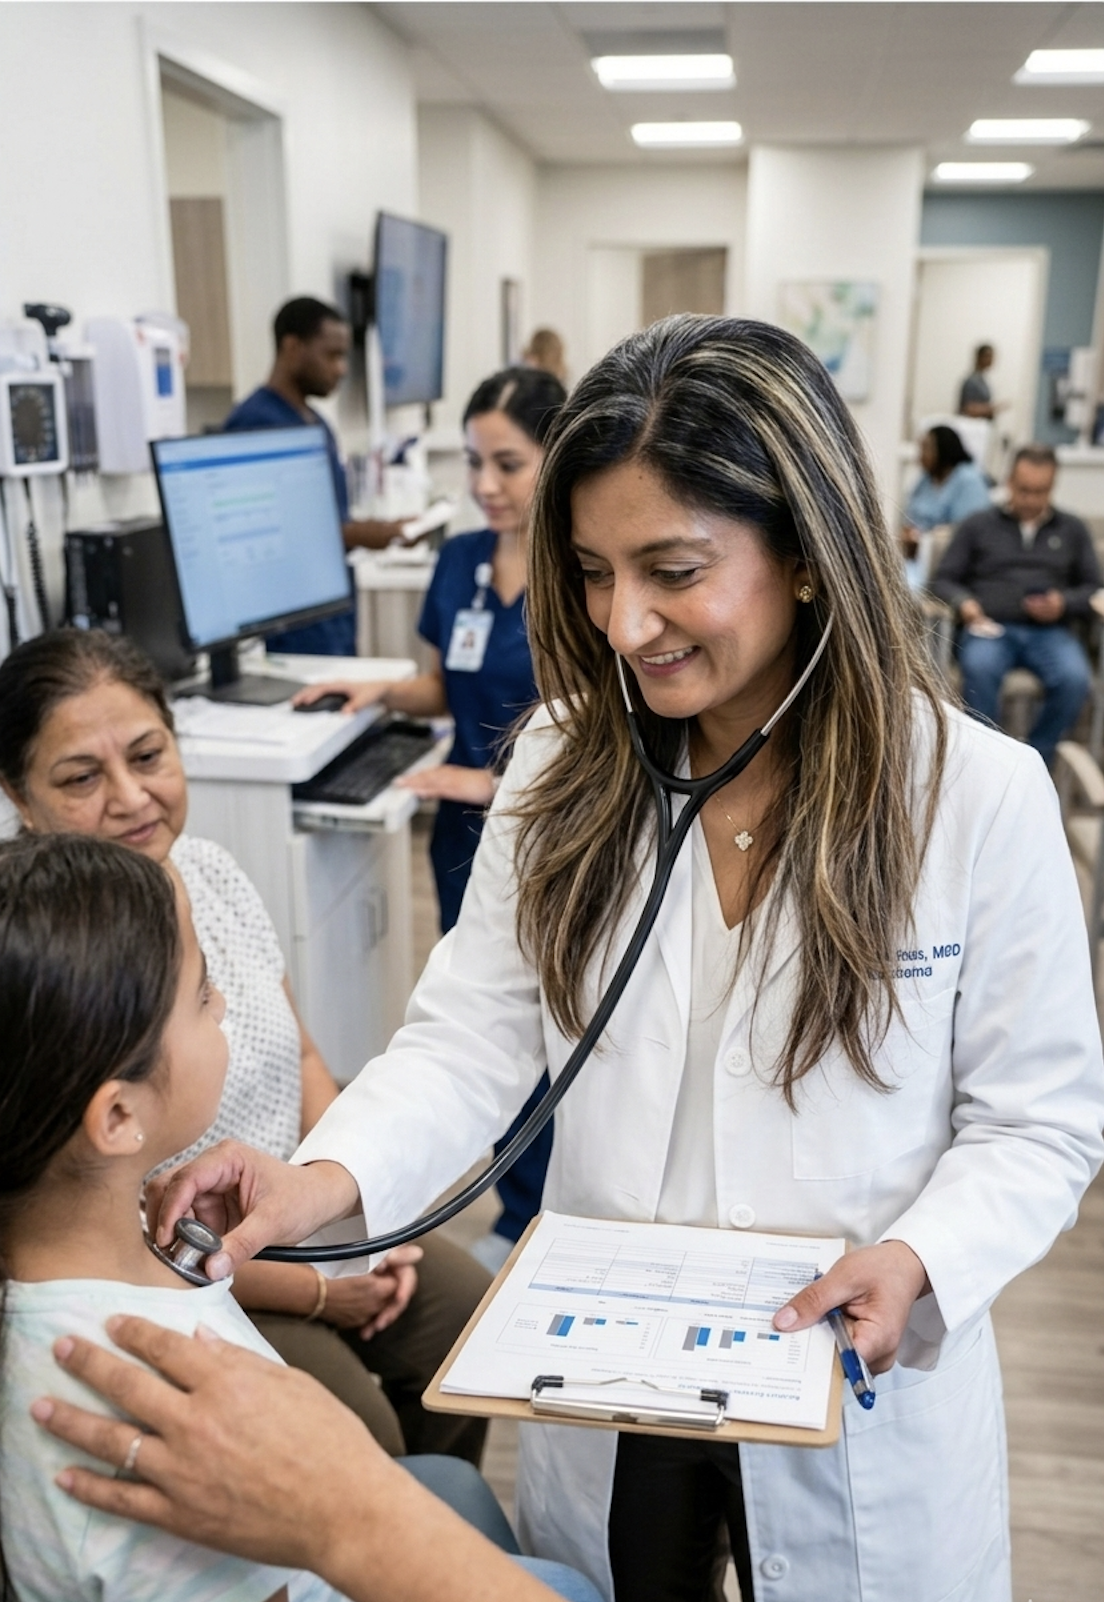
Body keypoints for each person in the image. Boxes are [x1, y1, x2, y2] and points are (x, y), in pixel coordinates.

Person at [149, 316, 1104, 1602]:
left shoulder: (974, 798)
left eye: (672, 568)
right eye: (595, 571)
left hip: (841, 1370)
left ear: (808, 557)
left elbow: (1039, 1124)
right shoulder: (561, 760)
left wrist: (923, 1260)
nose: (623, 621)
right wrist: (320, 1180)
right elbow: (470, 1041)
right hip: (602, 1371)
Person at [0, 833, 596, 1602]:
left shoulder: (83, 1277)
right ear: (117, 1116)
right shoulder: (135, 1380)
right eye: (203, 995)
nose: (224, 1010)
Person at [0, 629, 490, 1464]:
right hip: (198, 1265)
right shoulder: (52, 968)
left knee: (472, 1322)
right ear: (18, 794)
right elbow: (110, 1223)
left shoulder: (213, 872)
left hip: (291, 1208)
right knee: (353, 1435)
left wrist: (353, 1203)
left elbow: (303, 1056)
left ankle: (429, 1516)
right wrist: (318, 1290)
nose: (130, 798)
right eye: (82, 777)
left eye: (149, 756)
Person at [298, 365, 567, 1271]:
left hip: (554, 835)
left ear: (554, 458)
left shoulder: (582, 573)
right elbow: (441, 685)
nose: (486, 486)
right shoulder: (458, 560)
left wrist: (488, 788)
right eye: (474, 464)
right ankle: (513, 1202)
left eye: (509, 464)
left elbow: (602, 738)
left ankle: (540, 1212)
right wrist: (367, 691)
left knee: (553, 1023)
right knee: (479, 1017)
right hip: (461, 839)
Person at [223, 296, 409, 656]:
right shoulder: (256, 423)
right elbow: (293, 533)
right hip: (291, 622)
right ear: (292, 347)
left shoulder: (314, 420)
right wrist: (383, 534)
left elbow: (328, 518)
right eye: (331, 355)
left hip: (330, 614)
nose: (340, 369)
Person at [930, 444, 1102, 768]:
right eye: (1024, 490)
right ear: (1009, 482)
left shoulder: (1073, 530)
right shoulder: (977, 525)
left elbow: (1094, 589)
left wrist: (1063, 603)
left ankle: (1034, 760)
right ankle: (984, 765)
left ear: (1053, 486)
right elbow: (943, 580)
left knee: (1075, 678)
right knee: (979, 668)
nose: (1032, 500)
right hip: (990, 628)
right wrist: (964, 603)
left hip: (1051, 632)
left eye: (1041, 491)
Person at [900, 424, 992, 588]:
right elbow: (910, 514)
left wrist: (924, 541)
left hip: (950, 563)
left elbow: (971, 531)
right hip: (916, 559)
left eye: (926, 449)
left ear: (944, 449)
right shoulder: (926, 479)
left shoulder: (969, 481)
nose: (920, 456)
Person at [957, 341, 1002, 419]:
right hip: (972, 426)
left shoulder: (982, 380)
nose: (991, 360)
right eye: (988, 356)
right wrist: (991, 408)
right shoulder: (972, 381)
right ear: (979, 357)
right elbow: (968, 408)